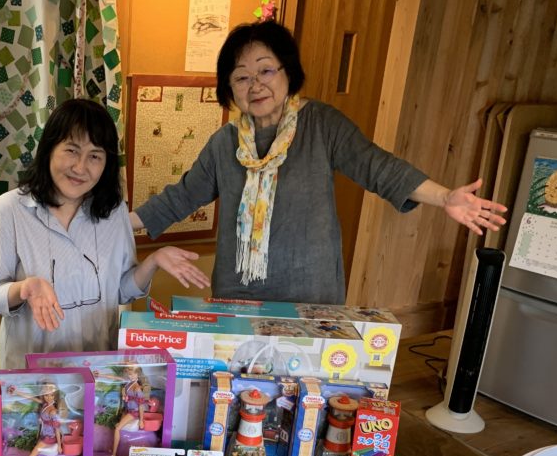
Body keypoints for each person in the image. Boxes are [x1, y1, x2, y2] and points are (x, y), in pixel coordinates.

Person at [130, 19, 507, 304]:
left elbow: (377, 167)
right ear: (230, 89)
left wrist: (444, 197)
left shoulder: (321, 125)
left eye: (265, 70)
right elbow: (180, 198)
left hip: (310, 295)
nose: (255, 85)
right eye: (241, 77)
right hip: (238, 294)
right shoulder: (224, 144)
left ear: (287, 71)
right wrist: (112, 221)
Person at [0, 98, 211, 369]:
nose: (80, 167)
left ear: (106, 163)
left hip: (98, 371)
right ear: (49, 149)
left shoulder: (113, 211)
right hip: (32, 376)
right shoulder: (11, 209)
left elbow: (120, 291)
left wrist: (153, 261)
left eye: (95, 156)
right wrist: (24, 288)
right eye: (71, 150)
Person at [107, 362, 150, 456]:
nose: (129, 376)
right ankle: (115, 448)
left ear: (137, 374)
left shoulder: (137, 388)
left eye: (131, 374)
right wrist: (100, 375)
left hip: (134, 412)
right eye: (129, 374)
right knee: (117, 426)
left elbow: (141, 405)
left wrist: (141, 421)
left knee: (117, 429)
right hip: (128, 410)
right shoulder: (129, 383)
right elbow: (115, 378)